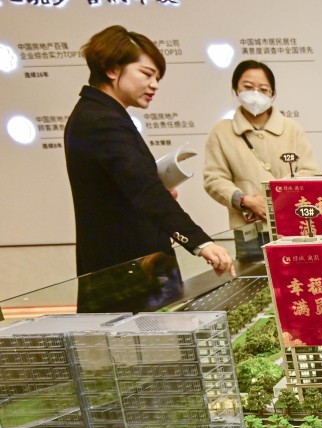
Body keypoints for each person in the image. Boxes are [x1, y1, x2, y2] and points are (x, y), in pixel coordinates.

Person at [65, 25, 234, 286]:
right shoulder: (101, 120)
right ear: (112, 69)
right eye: (147, 74)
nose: (154, 85)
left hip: (132, 262)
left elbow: (127, 184)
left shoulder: (100, 113)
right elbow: (144, 190)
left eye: (157, 77)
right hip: (125, 267)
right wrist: (201, 242)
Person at [204, 60, 319, 262]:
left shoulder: (291, 129)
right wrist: (246, 201)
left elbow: (309, 172)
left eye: (263, 89)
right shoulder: (221, 132)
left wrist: (274, 201)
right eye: (248, 87)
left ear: (272, 94)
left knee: (297, 279)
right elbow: (214, 179)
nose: (255, 94)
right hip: (248, 229)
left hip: (291, 224)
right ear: (235, 90)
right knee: (254, 284)